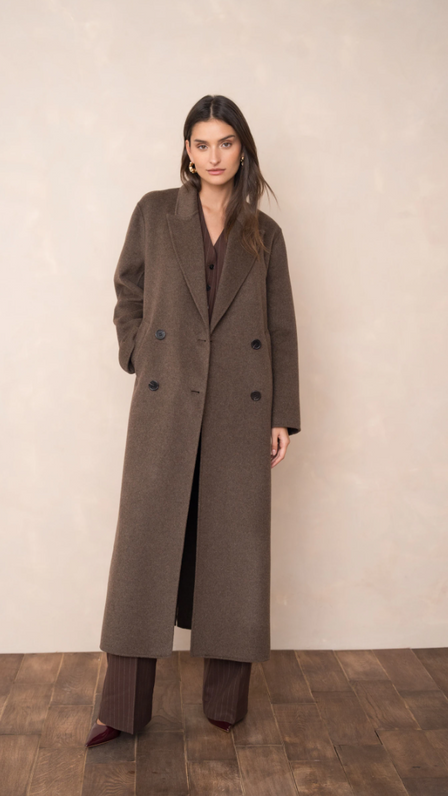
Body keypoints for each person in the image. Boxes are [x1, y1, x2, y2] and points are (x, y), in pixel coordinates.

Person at [86, 94, 301, 748]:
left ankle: (225, 704)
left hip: (240, 407)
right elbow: (127, 287)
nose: (213, 156)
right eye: (202, 143)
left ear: (243, 150)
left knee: (234, 550)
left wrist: (282, 415)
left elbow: (281, 328)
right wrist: (137, 349)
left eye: (225, 143)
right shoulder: (155, 213)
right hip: (167, 397)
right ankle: (122, 710)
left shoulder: (264, 232)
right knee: (144, 550)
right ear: (187, 150)